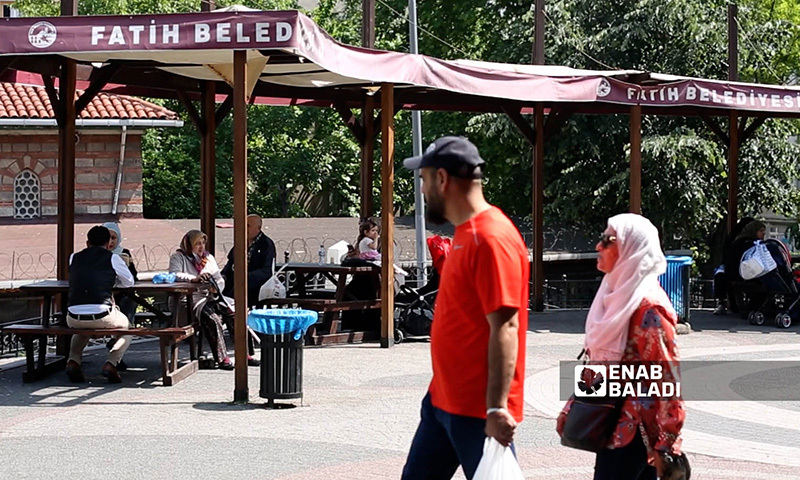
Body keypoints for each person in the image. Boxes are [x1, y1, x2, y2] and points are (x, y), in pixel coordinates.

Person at [400, 136, 530, 479]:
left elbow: (506, 326)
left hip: (477, 409)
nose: (423, 190)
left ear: (442, 179)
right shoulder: (464, 233)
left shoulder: (491, 238)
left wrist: (497, 408)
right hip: (443, 398)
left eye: (424, 180)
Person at [556, 213, 686, 480]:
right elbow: (604, 365)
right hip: (612, 425)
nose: (598, 246)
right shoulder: (614, 296)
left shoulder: (649, 308)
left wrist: (666, 443)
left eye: (608, 240)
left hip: (635, 433)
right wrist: (574, 404)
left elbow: (665, 378)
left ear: (631, 248)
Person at [65, 225, 135, 384]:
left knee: (81, 328)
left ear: (87, 242)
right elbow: (129, 282)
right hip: (103, 314)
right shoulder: (113, 258)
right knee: (128, 329)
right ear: (108, 242)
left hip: (73, 316)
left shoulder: (73, 257)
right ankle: (111, 362)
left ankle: (73, 360)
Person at [169, 230, 234, 370]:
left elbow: (219, 278)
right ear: (189, 244)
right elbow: (174, 275)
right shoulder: (178, 257)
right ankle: (222, 358)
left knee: (235, 311)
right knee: (213, 318)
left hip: (209, 296)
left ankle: (244, 353)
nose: (201, 246)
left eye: (203, 243)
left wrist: (216, 288)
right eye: (197, 243)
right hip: (188, 299)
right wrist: (193, 279)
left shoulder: (208, 258)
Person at [221, 214, 275, 366]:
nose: (245, 229)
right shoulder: (240, 242)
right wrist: (223, 277)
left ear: (258, 228)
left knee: (233, 303)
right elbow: (229, 265)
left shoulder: (266, 244)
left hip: (254, 285)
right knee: (219, 300)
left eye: (249, 226)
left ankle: (245, 347)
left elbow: (266, 272)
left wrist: (245, 276)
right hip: (233, 283)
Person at [103, 222, 138, 370]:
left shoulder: (124, 252)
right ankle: (116, 354)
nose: (111, 242)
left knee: (130, 302)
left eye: (114, 238)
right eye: (107, 238)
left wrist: (126, 265)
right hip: (103, 297)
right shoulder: (96, 253)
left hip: (122, 295)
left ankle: (119, 340)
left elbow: (133, 278)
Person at [713, 216, 754, 314]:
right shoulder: (745, 241)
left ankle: (724, 303)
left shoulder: (733, 237)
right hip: (740, 270)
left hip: (731, 269)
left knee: (721, 276)